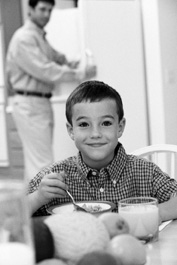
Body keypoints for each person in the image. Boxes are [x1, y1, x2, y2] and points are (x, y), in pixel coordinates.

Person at [28, 80, 177, 222]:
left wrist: (153, 213)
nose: (95, 134)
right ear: (71, 130)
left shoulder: (145, 172)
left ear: (120, 127)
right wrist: (38, 197)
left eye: (106, 123)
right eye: (84, 124)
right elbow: (9, 214)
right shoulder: (55, 176)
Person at [5, 0, 94, 180]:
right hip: (30, 103)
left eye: (49, 10)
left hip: (37, 102)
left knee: (36, 162)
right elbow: (45, 69)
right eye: (42, 9)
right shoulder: (24, 38)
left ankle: (30, 206)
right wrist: (79, 73)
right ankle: (41, 206)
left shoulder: (38, 36)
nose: (46, 14)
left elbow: (55, 57)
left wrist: (72, 61)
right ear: (30, 9)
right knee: (41, 163)